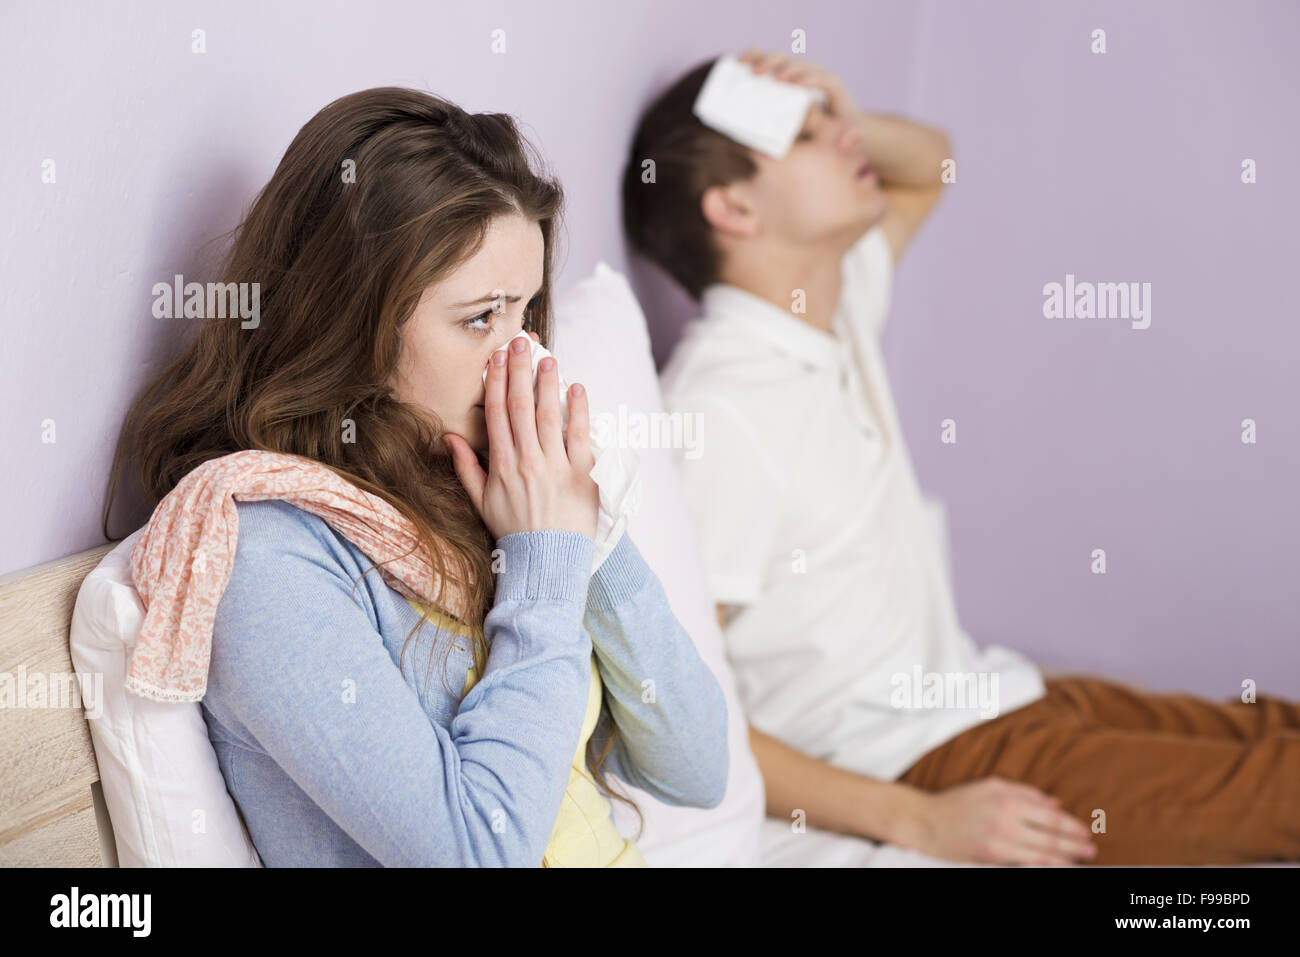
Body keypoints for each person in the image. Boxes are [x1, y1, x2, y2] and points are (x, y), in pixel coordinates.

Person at [622, 49, 1300, 866]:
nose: (844, 139)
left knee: (1278, 729)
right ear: (733, 206)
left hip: (996, 695)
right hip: (913, 758)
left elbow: (930, 164)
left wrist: (835, 117)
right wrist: (916, 819)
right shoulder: (722, 406)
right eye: (805, 140)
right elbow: (676, 710)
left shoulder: (821, 316)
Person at [104, 86, 728, 867]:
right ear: (353, 320)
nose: (525, 361)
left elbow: (697, 768)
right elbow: (475, 853)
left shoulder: (498, 495)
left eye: (527, 314)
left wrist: (590, 543)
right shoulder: (267, 556)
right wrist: (543, 564)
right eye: (480, 319)